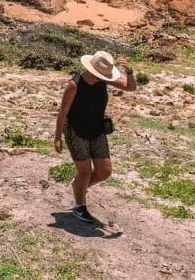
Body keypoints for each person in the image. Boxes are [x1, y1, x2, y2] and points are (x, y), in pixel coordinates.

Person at [54, 50, 137, 224]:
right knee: (84, 171)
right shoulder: (74, 85)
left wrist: (129, 72)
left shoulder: (104, 80)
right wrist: (57, 137)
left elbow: (130, 87)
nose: (100, 77)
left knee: (104, 171)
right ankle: (79, 206)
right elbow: (63, 112)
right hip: (76, 131)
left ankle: (79, 187)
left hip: (97, 129)